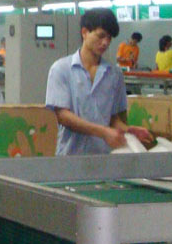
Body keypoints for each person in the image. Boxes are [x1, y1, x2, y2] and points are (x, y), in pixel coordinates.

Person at [45, 8, 154, 155]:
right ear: (84, 32)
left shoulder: (114, 74)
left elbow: (113, 119)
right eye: (101, 36)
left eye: (109, 38)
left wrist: (127, 131)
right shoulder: (61, 69)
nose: (105, 42)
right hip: (70, 157)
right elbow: (63, 116)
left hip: (104, 157)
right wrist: (103, 132)